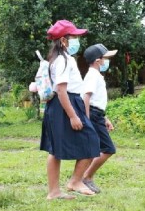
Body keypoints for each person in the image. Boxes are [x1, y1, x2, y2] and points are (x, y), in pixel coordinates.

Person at [40, 20, 101, 200]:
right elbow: (61, 90)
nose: (77, 40)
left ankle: (57, 190)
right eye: (73, 37)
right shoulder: (64, 60)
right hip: (65, 104)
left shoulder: (60, 59)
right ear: (64, 41)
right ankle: (71, 183)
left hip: (64, 104)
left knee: (56, 149)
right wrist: (73, 116)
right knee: (91, 140)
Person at [81, 44, 118, 194]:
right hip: (93, 116)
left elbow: (96, 101)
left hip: (98, 115)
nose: (106, 61)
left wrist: (105, 118)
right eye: (105, 58)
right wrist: (87, 119)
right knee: (108, 148)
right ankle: (86, 177)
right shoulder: (92, 75)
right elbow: (86, 98)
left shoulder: (96, 75)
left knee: (94, 150)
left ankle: (84, 178)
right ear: (98, 61)